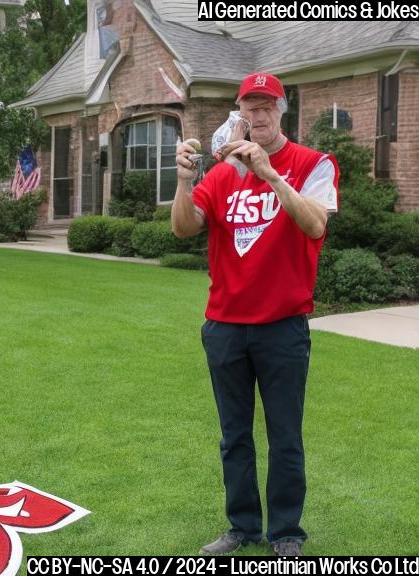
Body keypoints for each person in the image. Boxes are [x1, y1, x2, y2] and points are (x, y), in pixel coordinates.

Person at [172, 72, 340, 557]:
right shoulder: (222, 172)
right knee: (234, 437)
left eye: (267, 106)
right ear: (239, 111)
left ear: (282, 109)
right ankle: (241, 527)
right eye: (250, 106)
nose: (258, 115)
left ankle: (286, 533)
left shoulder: (313, 164)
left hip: (282, 327)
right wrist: (185, 181)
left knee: (285, 435)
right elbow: (184, 229)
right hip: (224, 326)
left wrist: (270, 173)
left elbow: (313, 226)